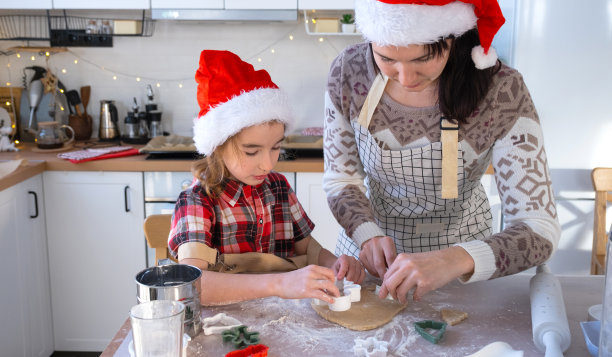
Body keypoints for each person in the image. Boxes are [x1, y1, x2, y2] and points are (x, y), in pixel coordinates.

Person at [322, 0, 561, 303]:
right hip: (366, 266)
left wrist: (455, 260)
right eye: (386, 58)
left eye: (422, 59)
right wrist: (366, 234)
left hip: (464, 269)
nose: (406, 78)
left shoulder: (501, 90)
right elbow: (340, 179)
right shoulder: (350, 70)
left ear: (454, 38)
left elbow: (539, 228)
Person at [168, 50, 365, 306]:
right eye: (251, 151)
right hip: (226, 321)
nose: (267, 163)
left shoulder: (278, 187)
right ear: (217, 145)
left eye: (275, 148)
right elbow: (194, 285)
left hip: (285, 316)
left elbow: (307, 248)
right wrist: (280, 283)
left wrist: (335, 263)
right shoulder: (198, 200)